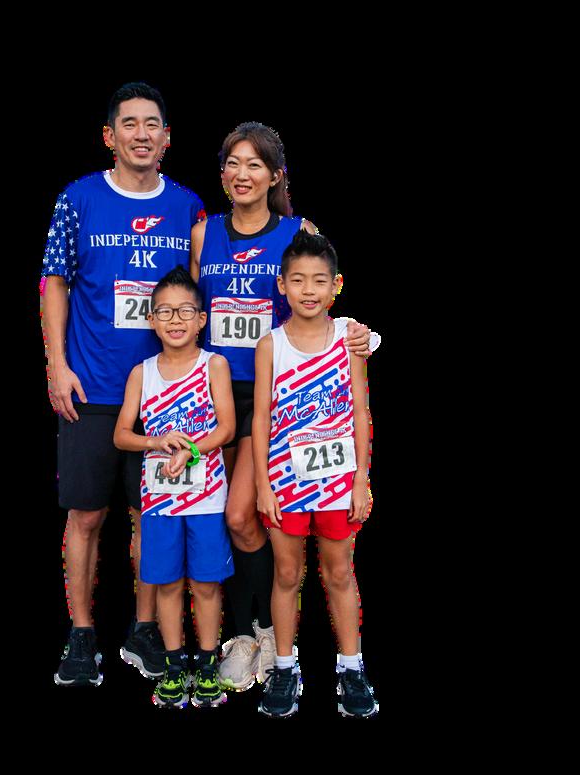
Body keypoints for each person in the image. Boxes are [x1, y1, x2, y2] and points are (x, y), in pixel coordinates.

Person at [190, 122, 378, 691]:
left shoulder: (299, 231)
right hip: (212, 390)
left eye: (255, 164)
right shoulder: (204, 233)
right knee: (218, 521)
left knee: (242, 515)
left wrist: (365, 336)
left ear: (275, 175)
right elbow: (192, 310)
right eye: (233, 163)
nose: (242, 174)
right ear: (222, 172)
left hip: (274, 396)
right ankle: (249, 634)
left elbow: (324, 295)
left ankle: (271, 635)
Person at [43, 82, 206, 687]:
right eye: (129, 124)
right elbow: (54, 280)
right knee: (86, 517)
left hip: (168, 395)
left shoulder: (188, 206)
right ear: (109, 136)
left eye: (152, 124)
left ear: (167, 137)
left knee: (152, 518)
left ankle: (142, 629)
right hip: (91, 388)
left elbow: (218, 279)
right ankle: (82, 633)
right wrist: (57, 364)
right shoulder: (78, 199)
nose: (142, 134)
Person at [252, 230, 379, 718]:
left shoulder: (349, 338)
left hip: (338, 483)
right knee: (287, 573)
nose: (309, 290)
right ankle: (285, 667)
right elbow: (261, 418)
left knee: (340, 572)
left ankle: (351, 667)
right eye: (299, 279)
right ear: (282, 285)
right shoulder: (271, 344)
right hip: (285, 483)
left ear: (335, 286)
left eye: (319, 280)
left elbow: (360, 413)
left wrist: (361, 479)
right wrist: (264, 484)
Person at [113, 266, 235, 708]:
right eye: (164, 311)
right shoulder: (142, 373)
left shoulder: (213, 365)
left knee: (205, 583)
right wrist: (156, 441)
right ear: (151, 320)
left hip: (207, 499)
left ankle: (207, 662)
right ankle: (173, 663)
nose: (175, 319)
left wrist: (192, 450)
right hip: (159, 500)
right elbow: (121, 435)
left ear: (202, 319)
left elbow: (226, 428)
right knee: (166, 583)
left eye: (185, 311)